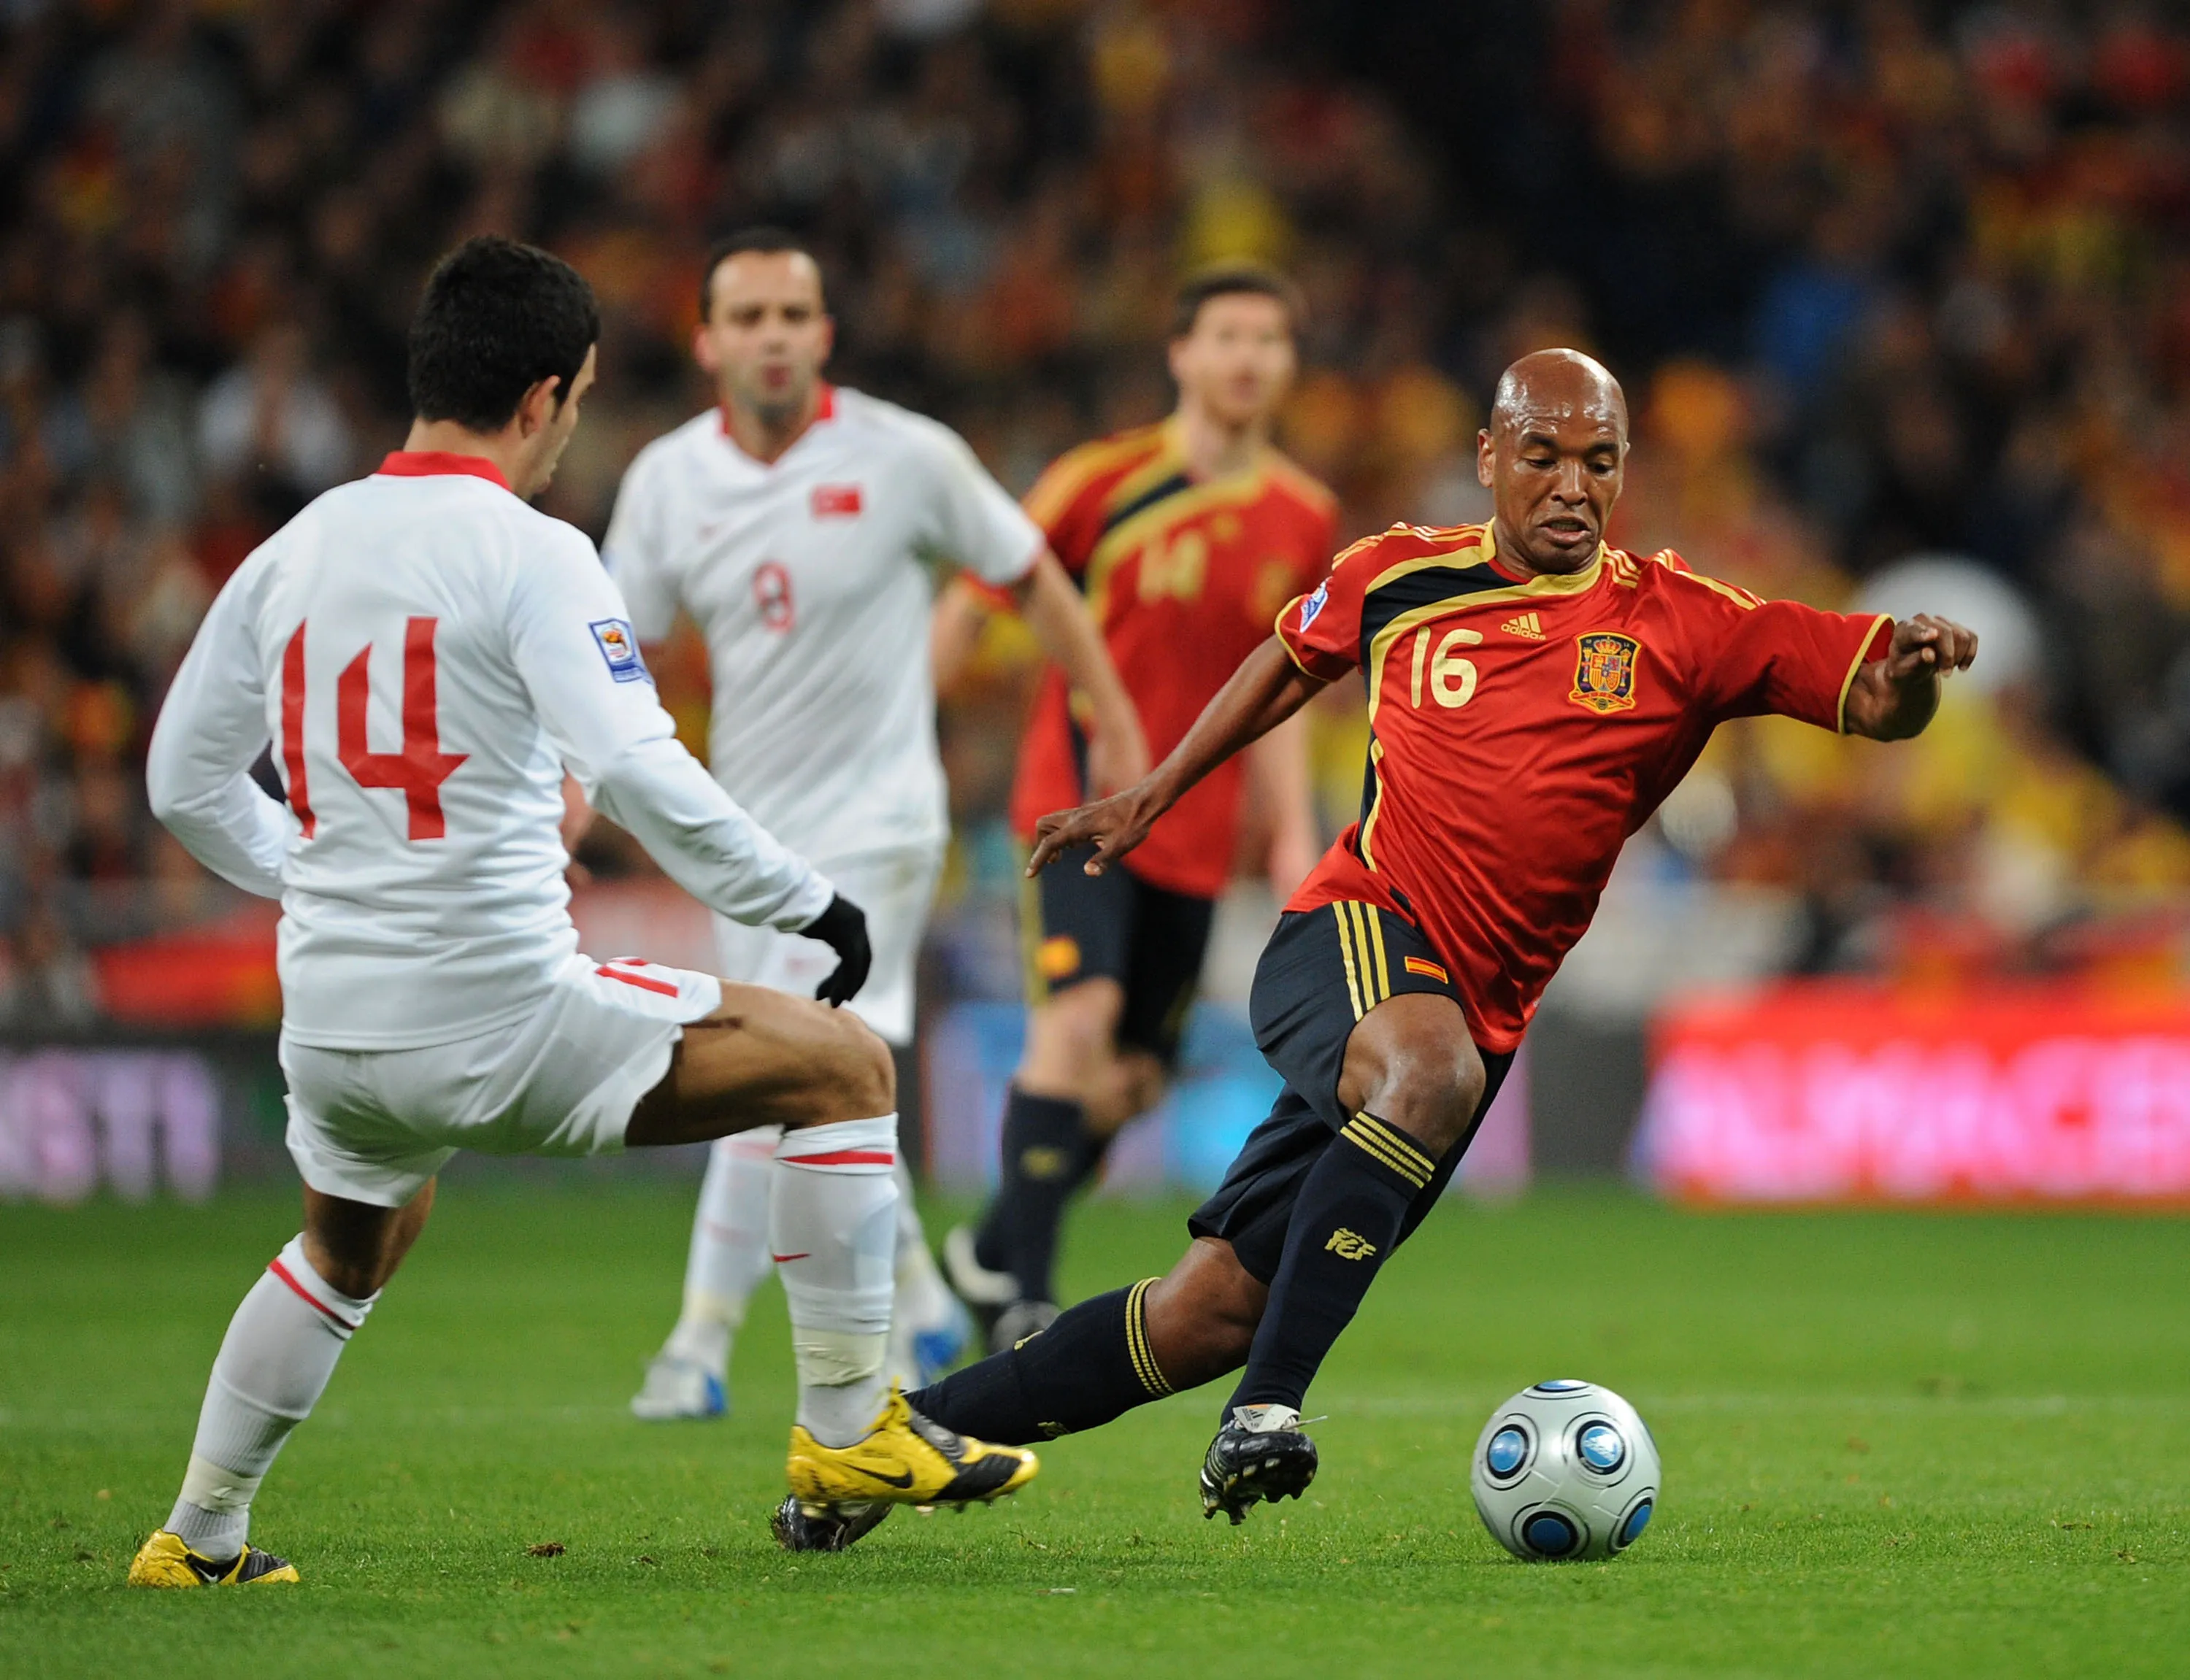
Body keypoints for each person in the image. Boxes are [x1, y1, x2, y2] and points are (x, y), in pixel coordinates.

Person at [782, 347, 1978, 1549]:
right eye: (1543, 455)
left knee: (1211, 1309)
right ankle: (1268, 1413)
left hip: (1473, 1017)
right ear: (1489, 459)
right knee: (1428, 1075)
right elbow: (1283, 663)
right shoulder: (1398, 575)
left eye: (1599, 462)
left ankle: (876, 1449)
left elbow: (1874, 697)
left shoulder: (1685, 624)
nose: (1571, 484)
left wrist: (1916, 672)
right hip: (1351, 933)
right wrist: (1153, 792)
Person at [126, 236, 1036, 1589]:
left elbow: (180, 779)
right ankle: (849, 1431)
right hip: (498, 1010)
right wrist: (799, 898)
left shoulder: (296, 546)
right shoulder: (531, 551)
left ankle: (195, 1536)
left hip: (332, 1022)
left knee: (350, 1242)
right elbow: (629, 765)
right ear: (547, 397)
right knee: (843, 1063)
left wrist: (313, 874)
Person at [607, 229, 1147, 1424]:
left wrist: (1108, 715)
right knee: (816, 1076)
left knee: (782, 1067)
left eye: (794, 314)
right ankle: (917, 1293)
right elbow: (615, 654)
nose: (773, 337)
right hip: (746, 838)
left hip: (882, 825)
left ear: (826, 335)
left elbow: (1031, 573)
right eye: (747, 317)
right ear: (706, 341)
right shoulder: (665, 483)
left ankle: (696, 1345)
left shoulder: (906, 456)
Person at [937, 263, 1335, 1351]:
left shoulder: (1304, 516)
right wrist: (908, 746)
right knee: (1076, 1019)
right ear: (1182, 355)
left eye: (1269, 338)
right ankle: (1021, 1289)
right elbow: (972, 605)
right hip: (1081, 806)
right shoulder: (1096, 483)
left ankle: (987, 1244)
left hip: (1196, 837)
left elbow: (1288, 683)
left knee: (1129, 1084)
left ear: (1289, 362)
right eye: (1227, 335)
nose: (1248, 356)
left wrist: (1292, 823)